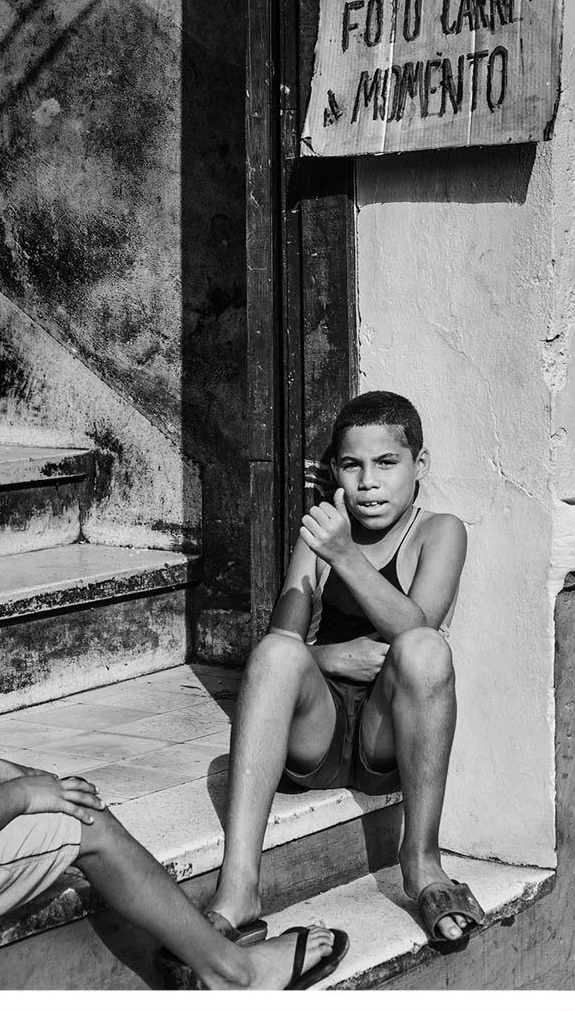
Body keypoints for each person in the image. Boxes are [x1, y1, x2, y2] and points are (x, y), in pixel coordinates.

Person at [204, 391, 485, 946]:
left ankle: (421, 861)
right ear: (335, 470)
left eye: (387, 463)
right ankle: (239, 886)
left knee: (425, 650)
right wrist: (330, 656)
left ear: (419, 465)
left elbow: (415, 627)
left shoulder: (440, 531)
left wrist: (345, 555)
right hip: (320, 734)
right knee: (276, 655)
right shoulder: (322, 534)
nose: (368, 483)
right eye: (353, 465)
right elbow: (280, 644)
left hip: (386, 736)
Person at [0, 708, 348, 989]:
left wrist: (7, 775)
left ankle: (213, 932)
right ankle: (235, 974)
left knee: (67, 799)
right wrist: (18, 796)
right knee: (87, 821)